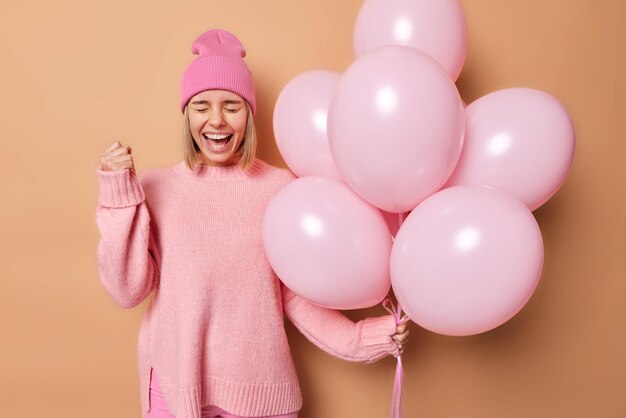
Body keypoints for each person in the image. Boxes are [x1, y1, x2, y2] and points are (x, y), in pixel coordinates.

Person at [95, 29, 409, 418]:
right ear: (186, 114)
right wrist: (118, 194)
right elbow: (127, 290)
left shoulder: (280, 189)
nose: (216, 120)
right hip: (175, 391)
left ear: (249, 113)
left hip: (260, 393)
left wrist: (359, 339)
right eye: (201, 106)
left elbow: (293, 296)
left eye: (231, 105)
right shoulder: (157, 188)